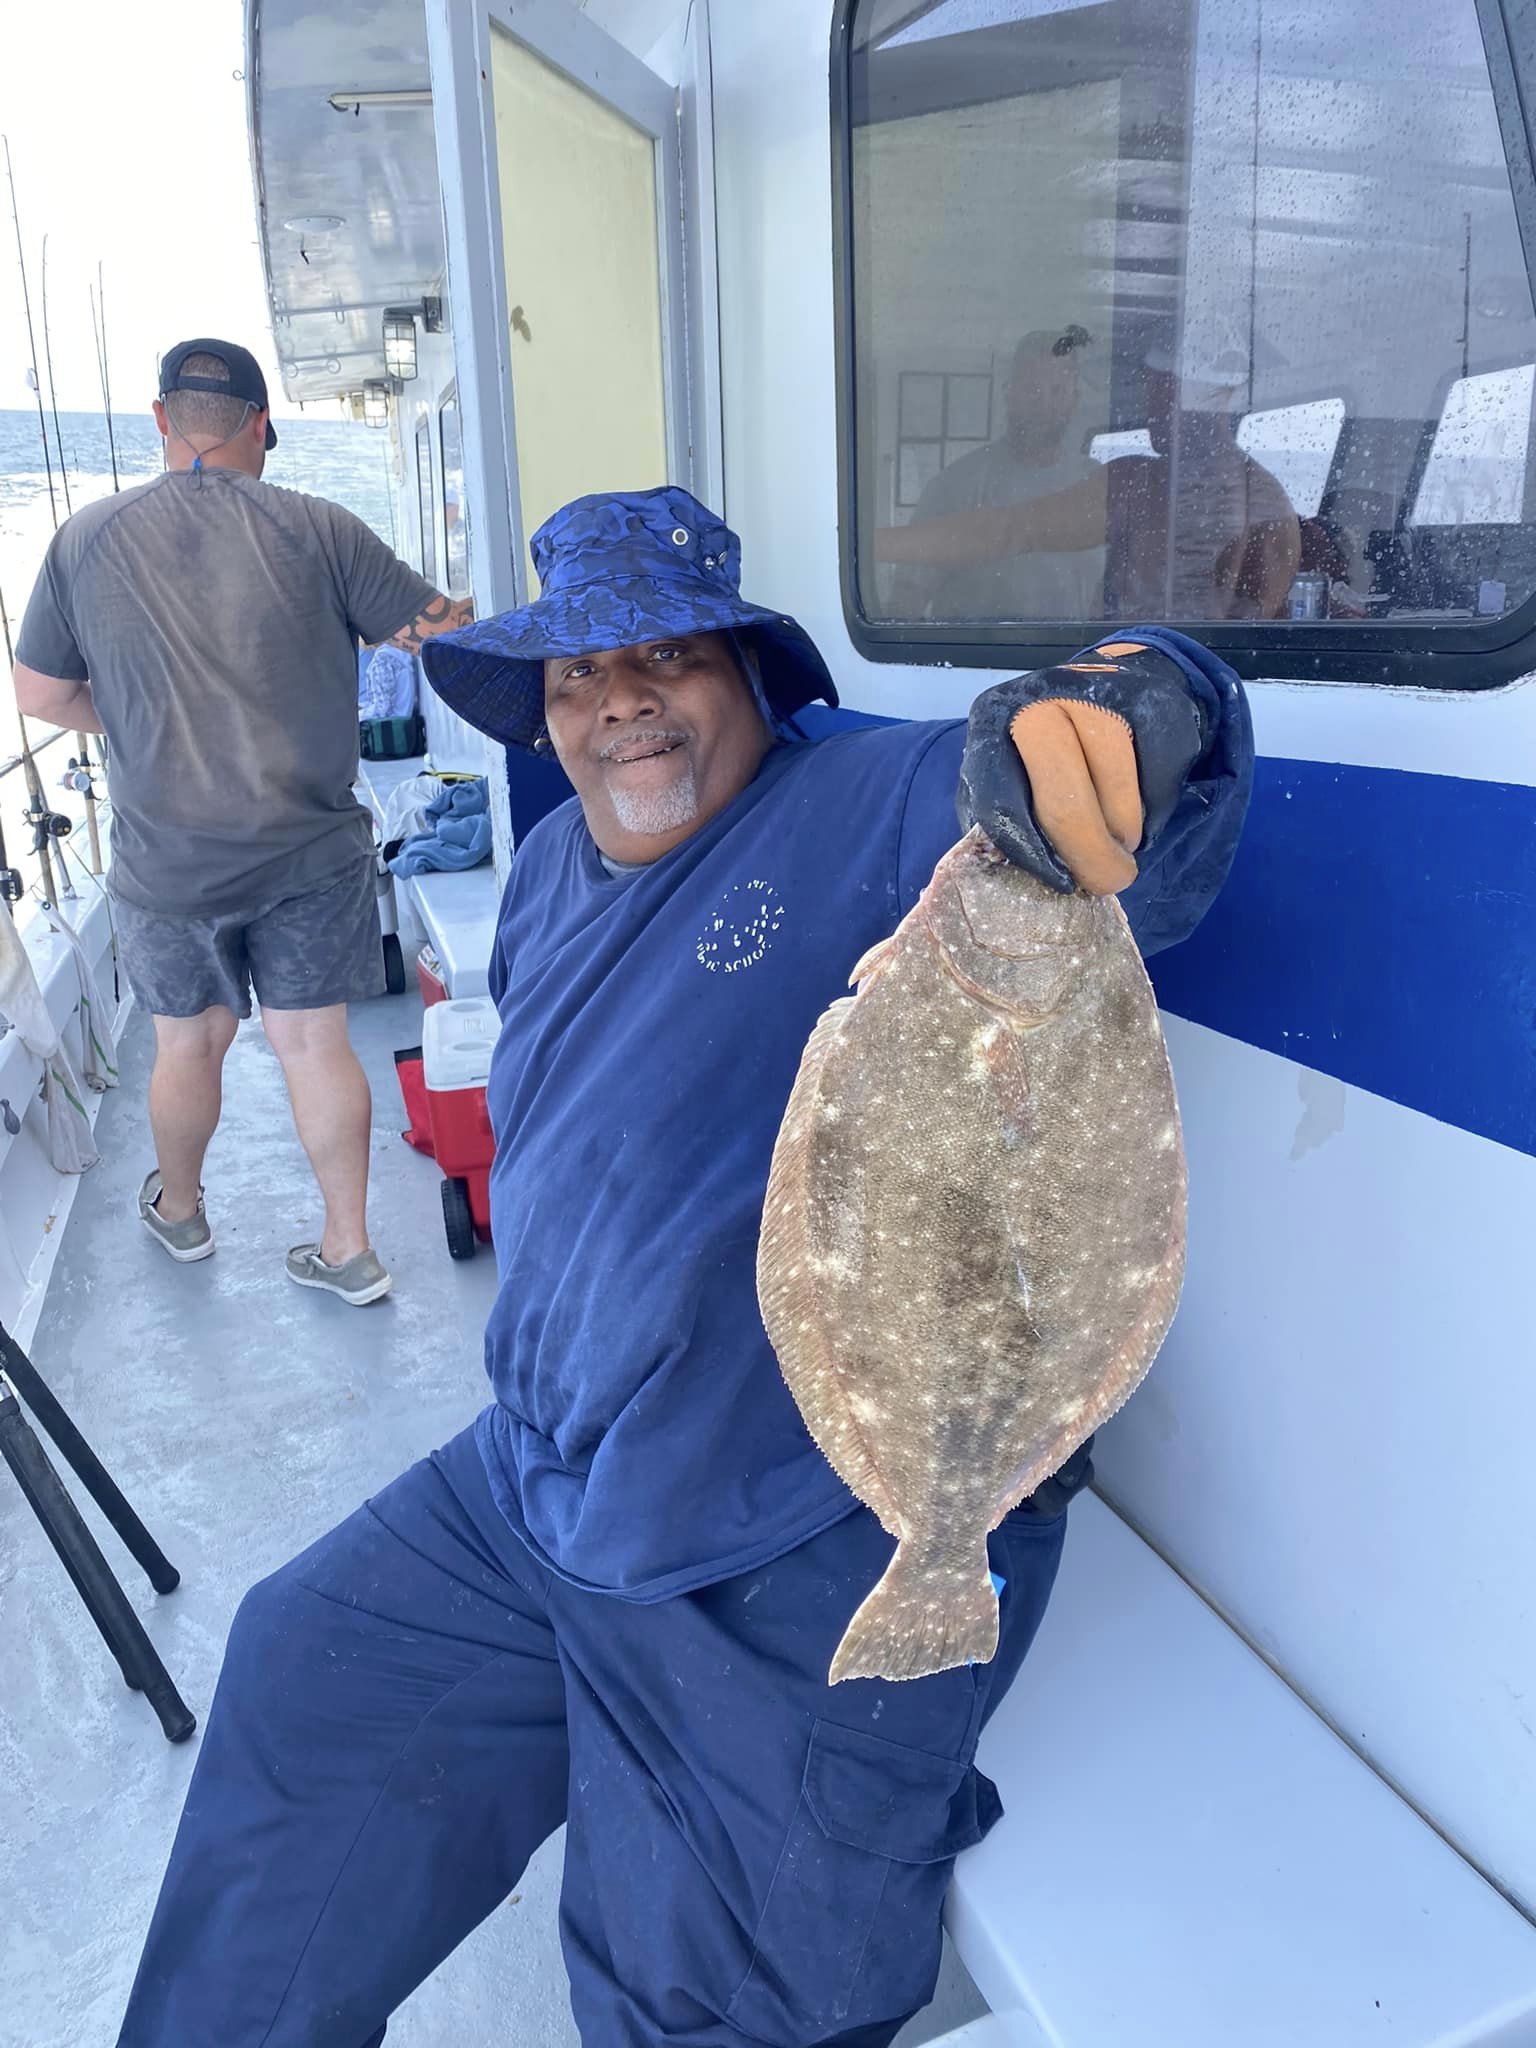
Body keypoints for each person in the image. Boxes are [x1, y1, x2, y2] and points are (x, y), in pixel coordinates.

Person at [114, 487, 1253, 2046]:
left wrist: (1148, 696)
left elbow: (1120, 816)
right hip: (540, 1477)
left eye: (669, 658)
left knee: (694, 2003)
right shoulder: (545, 871)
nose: (621, 704)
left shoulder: (873, 807)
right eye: (580, 673)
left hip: (784, 1533)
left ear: (751, 676)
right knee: (300, 1674)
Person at [11, 338, 473, 1304]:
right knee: (313, 1043)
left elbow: (43, 694)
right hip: (310, 852)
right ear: (263, 425)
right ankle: (348, 1248)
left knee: (188, 1043)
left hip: (167, 864)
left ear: (160, 419)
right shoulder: (321, 527)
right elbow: (439, 631)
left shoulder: (84, 538)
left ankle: (180, 1212)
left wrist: (132, 722)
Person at [880, 325, 1301, 623]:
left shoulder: (1134, 485)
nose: (1148, 405)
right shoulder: (1271, 500)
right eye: (1033, 388)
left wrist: (866, 544)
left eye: (1157, 389)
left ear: (1192, 394)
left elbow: (1014, 530)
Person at [894, 324, 1107, 621]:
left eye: (1058, 390)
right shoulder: (954, 488)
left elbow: (1108, 603)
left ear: (1075, 399)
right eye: (1032, 389)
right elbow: (905, 602)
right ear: (1010, 393)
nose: (1044, 404)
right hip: (978, 652)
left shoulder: (1098, 487)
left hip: (1080, 653)